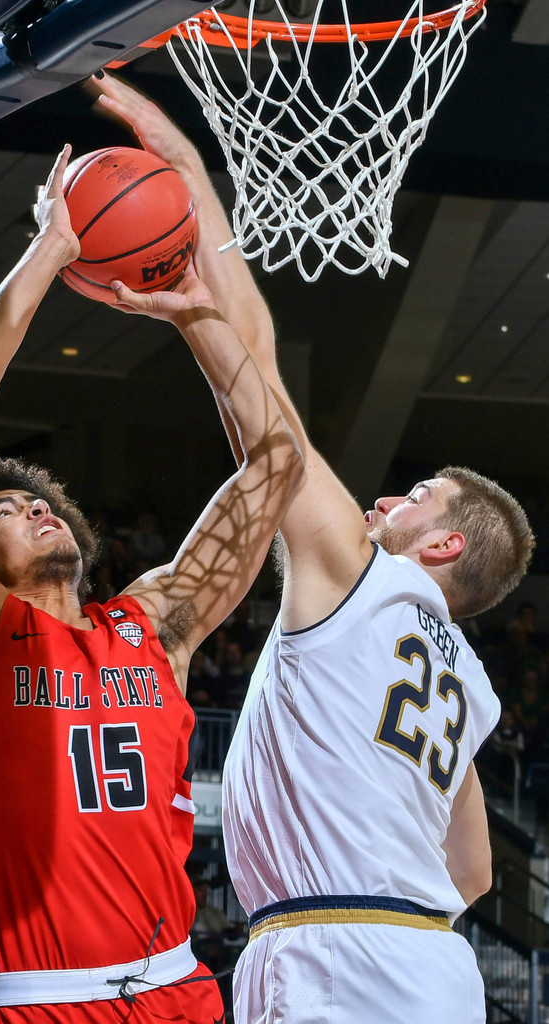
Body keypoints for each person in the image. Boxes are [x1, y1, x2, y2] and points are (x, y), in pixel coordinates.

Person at [94, 73, 536, 1024]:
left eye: (416, 496)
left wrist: (190, 288)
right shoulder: (468, 687)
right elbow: (471, 871)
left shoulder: (366, 580)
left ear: (443, 543)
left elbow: (270, 425)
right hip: (432, 965)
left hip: (335, 953)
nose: (384, 499)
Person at [0, 142, 302, 1024]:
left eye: (39, 502)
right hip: (42, 999)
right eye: (5, 511)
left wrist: (196, 314)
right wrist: (52, 247)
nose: (34, 508)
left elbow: (276, 465)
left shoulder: (152, 627)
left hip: (177, 988)